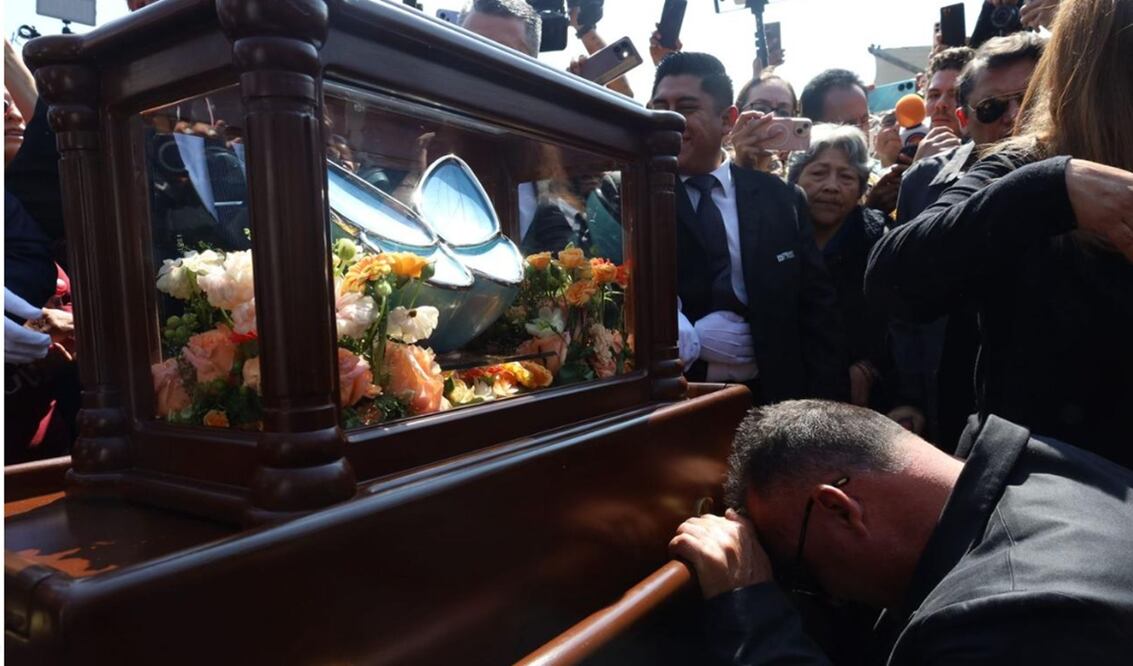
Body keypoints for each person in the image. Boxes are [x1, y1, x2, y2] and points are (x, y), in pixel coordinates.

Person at [867, 0, 1133, 467]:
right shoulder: (1027, 167)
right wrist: (1051, 191)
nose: (1014, 116)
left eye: (1026, 98)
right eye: (993, 107)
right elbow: (894, 281)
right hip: (1054, 495)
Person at [670, 400, 1133, 665]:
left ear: (840, 509)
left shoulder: (997, 620)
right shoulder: (1054, 470)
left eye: (801, 573)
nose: (824, 592)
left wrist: (752, 611)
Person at [649, 52, 848, 403]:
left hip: (773, 403)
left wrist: (825, 412)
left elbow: (817, 313)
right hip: (673, 406)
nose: (671, 119)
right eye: (660, 106)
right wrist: (679, 335)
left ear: (727, 120)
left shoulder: (781, 199)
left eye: (686, 107)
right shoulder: (635, 197)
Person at [787, 124, 896, 413]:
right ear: (794, 179)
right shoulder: (777, 235)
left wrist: (870, 364)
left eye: (846, 176)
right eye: (818, 173)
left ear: (862, 188)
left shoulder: (878, 238)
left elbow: (896, 325)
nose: (831, 186)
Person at [912, 46, 975, 163]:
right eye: (934, 95)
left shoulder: (989, 162)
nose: (940, 104)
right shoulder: (910, 156)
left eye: (955, 94)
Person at [732, 71, 799, 175]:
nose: (773, 117)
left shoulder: (801, 176)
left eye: (783, 112)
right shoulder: (714, 170)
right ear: (738, 114)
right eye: (761, 109)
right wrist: (741, 165)